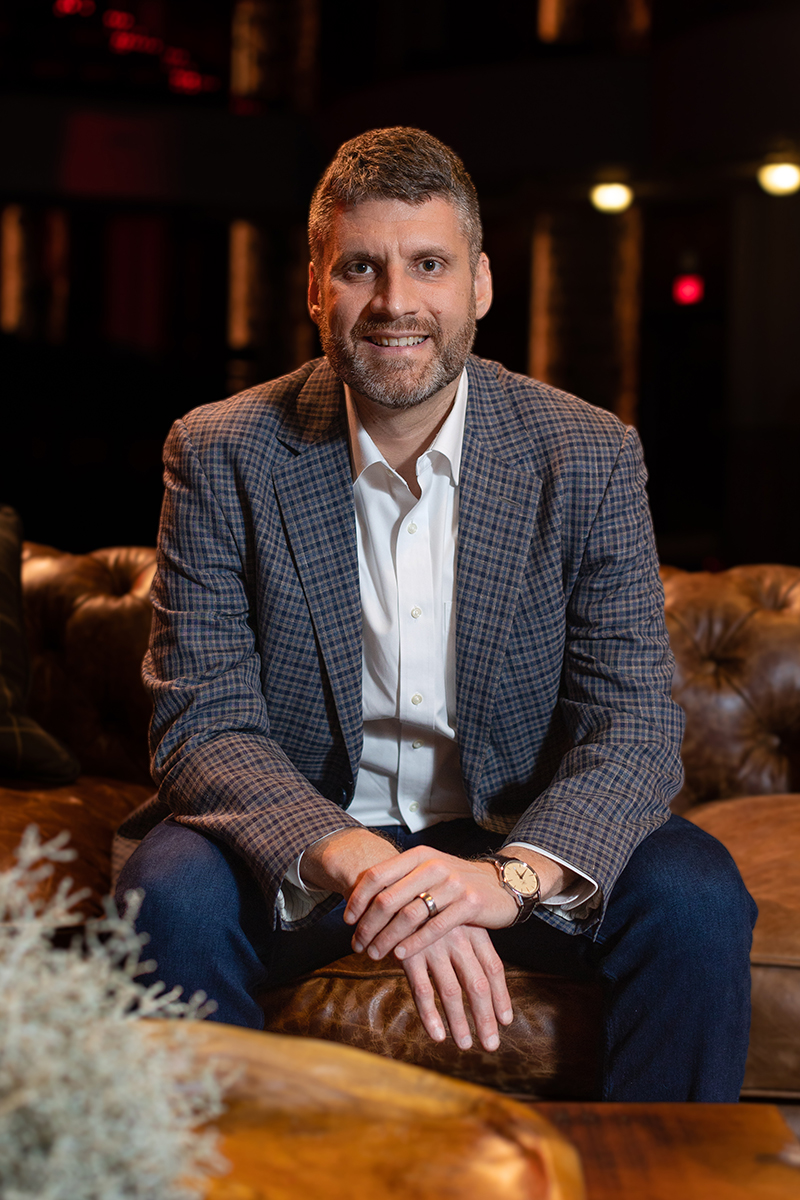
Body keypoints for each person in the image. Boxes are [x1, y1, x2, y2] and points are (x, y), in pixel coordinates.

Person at [117, 127, 756, 1101]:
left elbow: (629, 727)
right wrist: (361, 859)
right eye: (359, 268)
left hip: (514, 831)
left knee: (696, 897)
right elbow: (202, 721)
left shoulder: (583, 452)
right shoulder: (221, 450)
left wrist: (501, 882)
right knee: (166, 893)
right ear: (314, 287)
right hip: (317, 837)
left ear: (480, 284)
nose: (394, 303)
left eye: (427, 265)